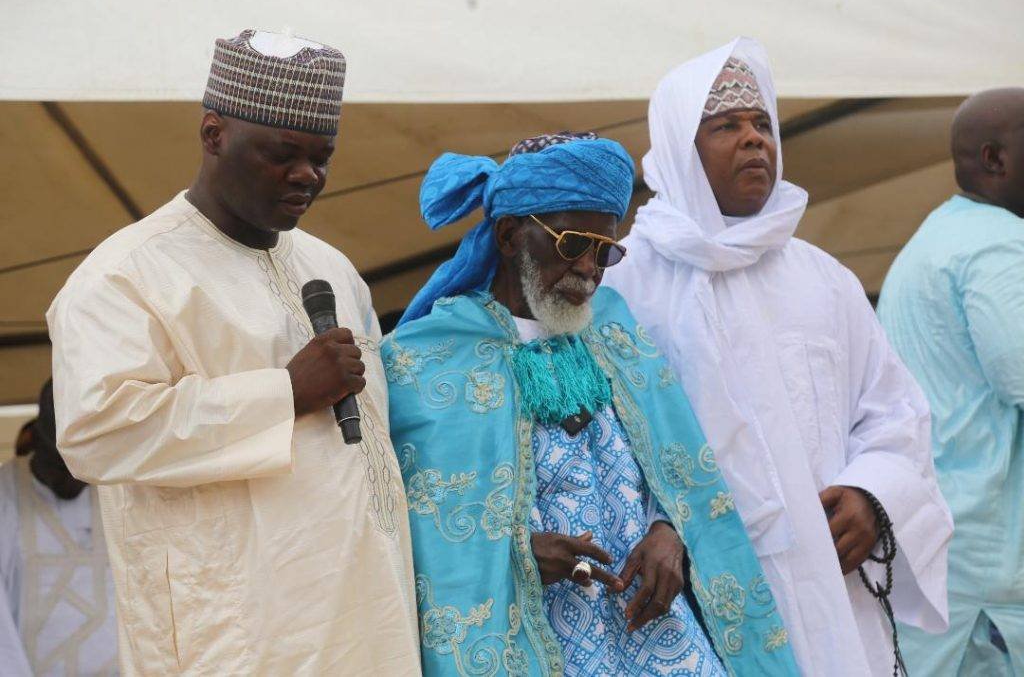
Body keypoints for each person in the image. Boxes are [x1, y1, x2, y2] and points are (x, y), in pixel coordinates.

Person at [46, 30, 419, 674]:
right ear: (214, 133)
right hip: (240, 633)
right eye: (283, 153)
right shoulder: (125, 276)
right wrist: (285, 393)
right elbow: (95, 431)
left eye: (321, 157)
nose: (308, 176)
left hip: (366, 617)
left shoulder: (330, 266)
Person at [384, 132, 799, 676]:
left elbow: (680, 476)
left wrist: (667, 533)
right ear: (510, 235)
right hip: (534, 638)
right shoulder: (428, 357)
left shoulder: (614, 325)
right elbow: (416, 531)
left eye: (605, 250)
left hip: (650, 625)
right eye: (572, 244)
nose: (590, 269)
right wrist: (520, 552)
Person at [602, 37, 953, 676]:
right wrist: (661, 525)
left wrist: (873, 497)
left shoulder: (824, 278)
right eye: (727, 126)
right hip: (706, 600)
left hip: (836, 588)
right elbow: (607, 448)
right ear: (682, 145)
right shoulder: (624, 286)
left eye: (763, 123)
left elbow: (895, 412)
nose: (754, 140)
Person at [877, 87, 1024, 675]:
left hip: (938, 546)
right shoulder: (998, 245)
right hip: (984, 565)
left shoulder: (939, 234)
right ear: (995, 159)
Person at [0, 379, 118, 675]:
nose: (73, 478)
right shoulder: (6, 495)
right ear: (34, 442)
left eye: (81, 467)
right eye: (61, 465)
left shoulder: (117, 490)